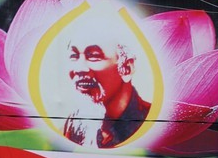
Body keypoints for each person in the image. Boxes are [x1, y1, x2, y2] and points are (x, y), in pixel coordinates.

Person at [61, 21, 152, 149]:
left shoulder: (153, 126)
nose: (78, 68)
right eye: (74, 56)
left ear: (126, 69)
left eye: (93, 56)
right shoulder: (71, 123)